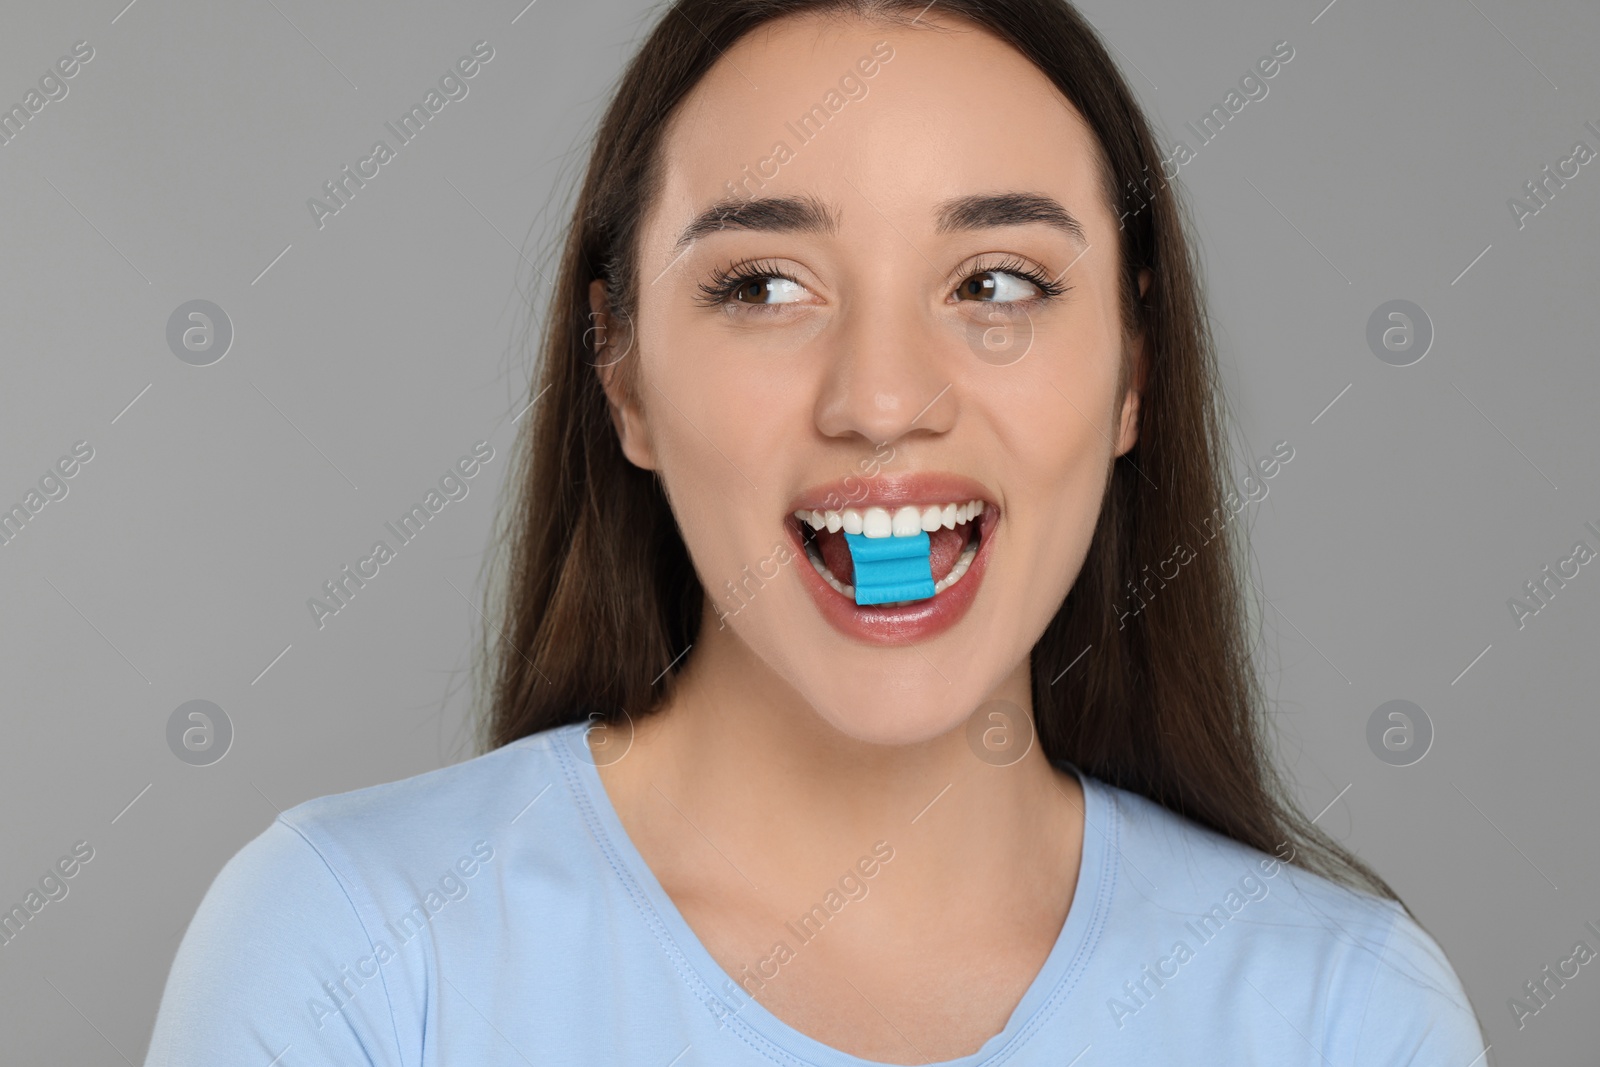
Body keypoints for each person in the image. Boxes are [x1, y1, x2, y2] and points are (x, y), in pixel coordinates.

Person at [143, 1, 1490, 1063]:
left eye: (998, 281)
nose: (884, 402)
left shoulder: (1348, 1019)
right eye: (767, 285)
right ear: (622, 372)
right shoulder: (354, 958)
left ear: (1133, 366)